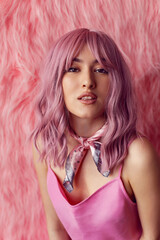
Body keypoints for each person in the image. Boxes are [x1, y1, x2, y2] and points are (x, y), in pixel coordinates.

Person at [32, 28, 160, 240]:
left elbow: (152, 236)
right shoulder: (45, 146)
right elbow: (56, 231)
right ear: (56, 79)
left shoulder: (137, 155)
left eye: (101, 70)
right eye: (73, 69)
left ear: (116, 82)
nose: (88, 82)